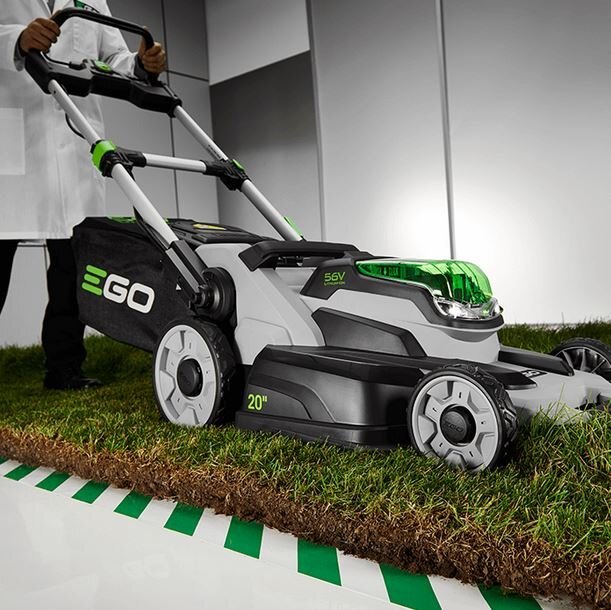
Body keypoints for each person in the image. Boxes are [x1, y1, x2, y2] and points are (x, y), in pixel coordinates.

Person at [0, 1, 166, 389]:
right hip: (13, 137)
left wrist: (142, 64)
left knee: (71, 267)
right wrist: (17, 39)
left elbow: (115, 57)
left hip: (73, 137)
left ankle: (65, 368)